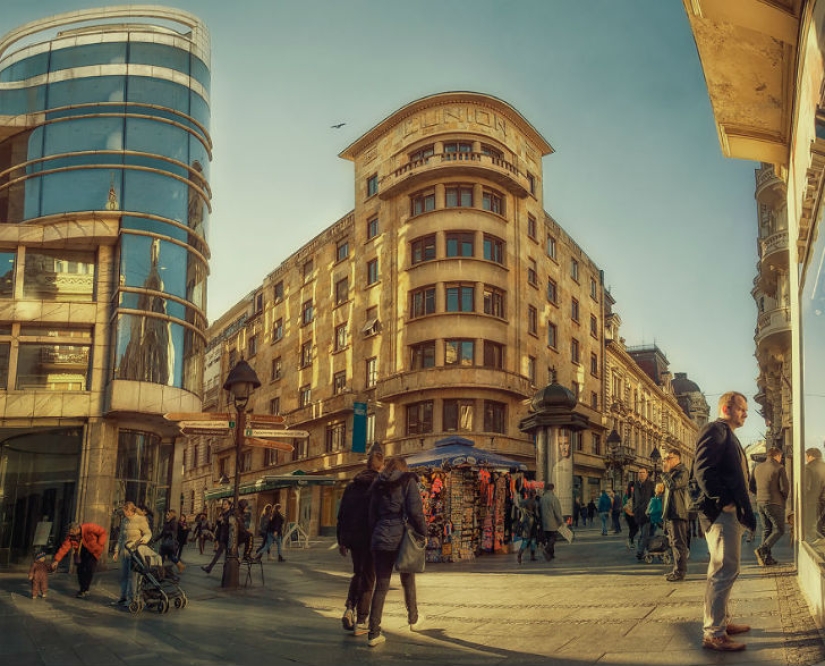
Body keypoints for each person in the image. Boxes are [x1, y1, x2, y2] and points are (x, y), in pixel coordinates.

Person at [693, 391, 756, 652]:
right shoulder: (715, 430)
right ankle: (714, 634)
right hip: (721, 514)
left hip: (726, 513)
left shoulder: (727, 434)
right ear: (726, 408)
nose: (746, 413)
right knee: (724, 571)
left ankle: (721, 622)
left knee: (721, 571)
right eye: (742, 408)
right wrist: (722, 501)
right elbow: (703, 468)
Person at [366, 456, 426, 647]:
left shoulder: (378, 484)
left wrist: (377, 532)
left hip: (380, 536)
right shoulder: (407, 480)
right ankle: (413, 618)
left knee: (381, 585)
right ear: (403, 467)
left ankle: (373, 633)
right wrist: (423, 533)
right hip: (399, 535)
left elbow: (371, 515)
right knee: (408, 577)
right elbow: (416, 511)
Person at [337, 442, 384, 635]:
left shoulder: (351, 486)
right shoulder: (380, 486)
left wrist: (341, 540)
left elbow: (342, 514)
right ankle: (363, 620)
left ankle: (350, 607)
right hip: (372, 538)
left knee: (358, 573)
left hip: (354, 539)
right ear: (380, 466)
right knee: (368, 578)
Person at [749, 446, 789, 566]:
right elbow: (785, 488)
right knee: (779, 529)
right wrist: (783, 499)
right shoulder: (779, 468)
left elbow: (751, 486)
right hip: (775, 503)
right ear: (777, 455)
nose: (780, 459)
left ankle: (767, 558)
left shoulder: (757, 468)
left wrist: (760, 495)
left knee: (767, 529)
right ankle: (762, 549)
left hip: (760, 502)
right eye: (780, 456)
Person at [50, 521, 107, 599]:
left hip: (93, 551)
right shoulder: (70, 536)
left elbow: (102, 532)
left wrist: (100, 544)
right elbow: (64, 547)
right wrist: (56, 560)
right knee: (80, 570)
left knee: (89, 569)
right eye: (70, 532)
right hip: (81, 552)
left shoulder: (88, 527)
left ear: (76, 529)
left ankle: (85, 588)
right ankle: (82, 589)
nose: (70, 534)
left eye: (72, 532)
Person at [112, 501, 151, 605]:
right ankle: (123, 597)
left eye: (125, 511)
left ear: (130, 511)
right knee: (124, 575)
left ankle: (132, 599)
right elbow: (121, 537)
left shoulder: (140, 520)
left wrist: (142, 541)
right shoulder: (124, 521)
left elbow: (148, 533)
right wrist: (116, 551)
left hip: (135, 552)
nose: (124, 513)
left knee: (132, 576)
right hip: (125, 551)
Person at [661, 449, 690, 582]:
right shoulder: (673, 472)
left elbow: (673, 486)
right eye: (665, 458)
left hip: (678, 512)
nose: (666, 461)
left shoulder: (683, 471)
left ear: (677, 458)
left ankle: (679, 572)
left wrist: (665, 474)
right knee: (673, 543)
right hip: (672, 513)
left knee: (679, 543)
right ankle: (676, 570)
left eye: (669, 458)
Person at [201, 499, 231, 574]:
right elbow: (219, 528)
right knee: (219, 553)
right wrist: (216, 539)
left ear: (229, 505)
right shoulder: (222, 514)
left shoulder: (230, 513)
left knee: (228, 555)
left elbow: (230, 523)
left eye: (225, 504)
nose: (223, 506)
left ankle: (226, 570)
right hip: (222, 537)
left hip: (229, 537)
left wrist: (224, 520)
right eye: (223, 504)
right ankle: (210, 568)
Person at [633, 468, 655, 561]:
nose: (641, 474)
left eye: (643, 472)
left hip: (648, 513)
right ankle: (647, 550)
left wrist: (651, 510)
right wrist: (634, 509)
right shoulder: (636, 485)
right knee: (643, 534)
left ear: (647, 474)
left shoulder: (651, 485)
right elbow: (634, 498)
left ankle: (640, 552)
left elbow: (654, 498)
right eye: (639, 473)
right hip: (638, 513)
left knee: (645, 534)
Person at [539, 483, 564, 561]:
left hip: (544, 522)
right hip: (552, 522)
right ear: (553, 489)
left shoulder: (542, 499)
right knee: (553, 538)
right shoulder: (554, 499)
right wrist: (561, 521)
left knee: (548, 538)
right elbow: (557, 512)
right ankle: (547, 550)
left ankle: (551, 554)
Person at [155, 508, 185, 573]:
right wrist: (155, 539)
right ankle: (181, 566)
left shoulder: (173, 522)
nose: (166, 515)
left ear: (171, 515)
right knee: (171, 556)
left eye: (168, 514)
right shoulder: (167, 523)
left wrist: (167, 532)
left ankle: (159, 570)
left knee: (161, 555)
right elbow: (162, 534)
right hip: (167, 543)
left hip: (169, 543)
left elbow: (174, 532)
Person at [805, 447, 825, 540]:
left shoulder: (808, 468)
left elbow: (806, 487)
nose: (806, 458)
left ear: (811, 456)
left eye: (806, 456)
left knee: (812, 526)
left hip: (814, 501)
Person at [516, 489, 541, 563]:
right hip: (532, 522)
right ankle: (532, 556)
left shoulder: (523, 502)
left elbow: (520, 513)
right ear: (534, 494)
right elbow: (537, 514)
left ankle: (520, 554)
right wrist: (539, 522)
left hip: (524, 522)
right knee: (533, 539)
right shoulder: (535, 503)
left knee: (525, 540)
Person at [623, 484, 637, 549]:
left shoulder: (635, 495)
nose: (632, 490)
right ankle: (630, 540)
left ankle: (631, 541)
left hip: (633, 514)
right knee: (634, 529)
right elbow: (624, 507)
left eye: (633, 489)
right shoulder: (626, 496)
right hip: (629, 515)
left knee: (634, 529)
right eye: (631, 489)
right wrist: (630, 514)